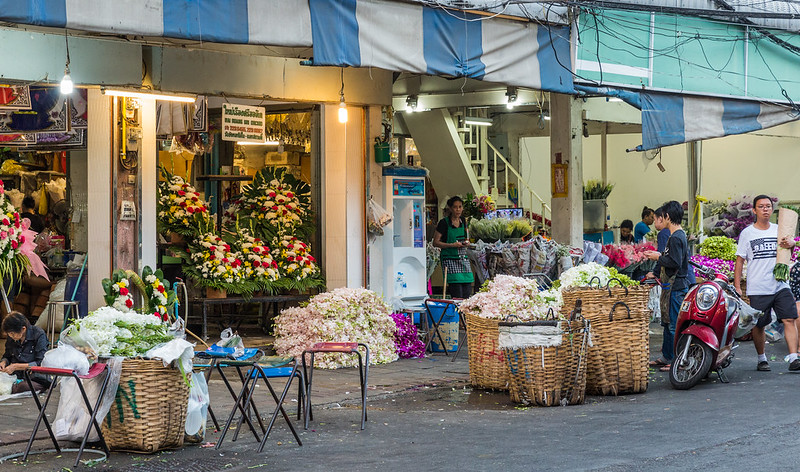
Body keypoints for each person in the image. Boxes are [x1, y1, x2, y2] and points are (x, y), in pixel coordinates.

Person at [735, 195, 800, 371]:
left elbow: (788, 253)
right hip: (758, 287)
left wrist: (792, 244)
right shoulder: (747, 233)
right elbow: (740, 261)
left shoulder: (779, 229)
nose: (765, 209)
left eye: (768, 206)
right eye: (761, 206)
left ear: (772, 210)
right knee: (760, 324)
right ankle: (761, 358)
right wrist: (737, 286)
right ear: (754, 210)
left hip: (781, 285)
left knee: (789, 318)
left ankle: (794, 358)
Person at [644, 201, 690, 372]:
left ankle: (676, 359)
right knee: (667, 322)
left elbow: (675, 262)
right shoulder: (675, 236)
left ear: (668, 217)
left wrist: (658, 257)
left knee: (673, 325)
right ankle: (666, 356)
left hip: (676, 288)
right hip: (670, 287)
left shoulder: (677, 237)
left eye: (662, 216)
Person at [433, 196, 474, 299]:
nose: (458, 210)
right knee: (457, 293)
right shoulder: (444, 223)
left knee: (467, 290)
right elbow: (436, 242)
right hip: (450, 260)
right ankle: (457, 314)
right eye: (455, 207)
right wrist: (452, 245)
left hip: (463, 259)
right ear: (450, 208)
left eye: (460, 207)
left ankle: (465, 314)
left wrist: (466, 243)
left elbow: (467, 237)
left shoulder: (464, 221)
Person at [1, 312, 50, 393]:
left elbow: (40, 362)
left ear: (23, 329)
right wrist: (4, 362)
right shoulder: (11, 338)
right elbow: (7, 355)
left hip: (33, 376)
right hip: (15, 375)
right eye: (9, 334)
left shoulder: (38, 334)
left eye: (12, 334)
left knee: (22, 386)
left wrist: (16, 366)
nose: (10, 336)